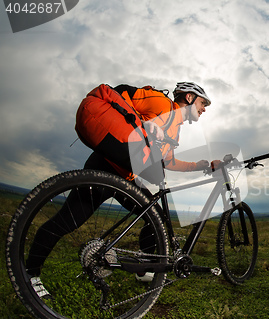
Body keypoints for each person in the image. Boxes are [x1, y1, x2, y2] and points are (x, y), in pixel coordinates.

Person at [26, 82, 213, 297]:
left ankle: (145, 269)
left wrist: (200, 165)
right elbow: (120, 93)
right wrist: (143, 123)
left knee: (156, 217)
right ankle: (30, 274)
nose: (204, 108)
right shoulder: (160, 103)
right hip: (104, 166)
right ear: (189, 98)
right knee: (68, 221)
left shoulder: (175, 130)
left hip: (126, 180)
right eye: (202, 102)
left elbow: (168, 162)